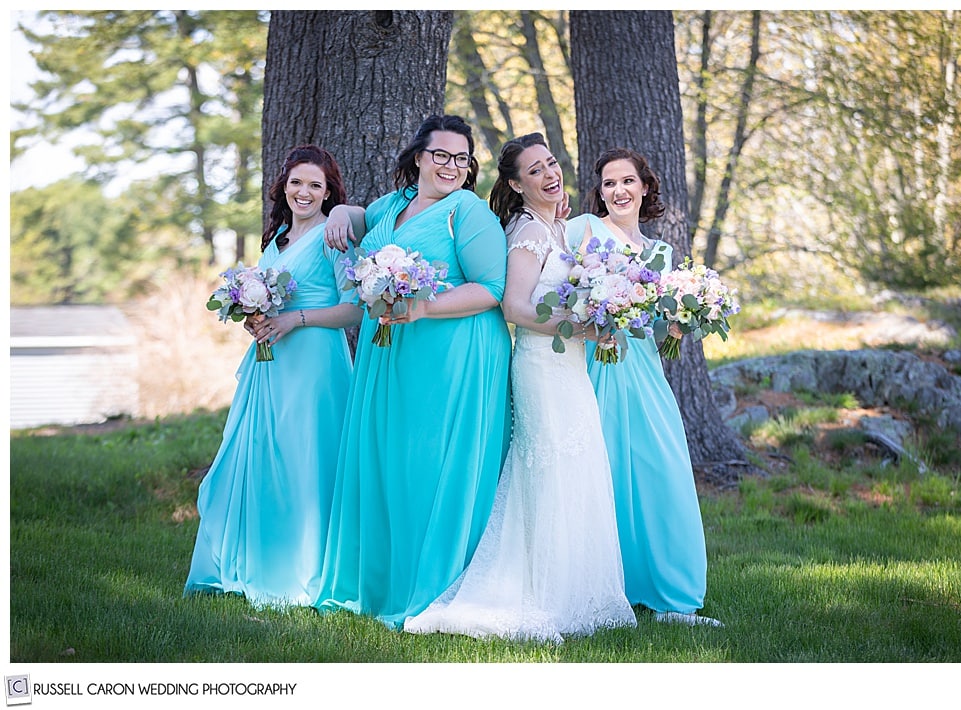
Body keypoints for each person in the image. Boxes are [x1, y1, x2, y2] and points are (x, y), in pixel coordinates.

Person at [403, 133, 637, 644]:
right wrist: (578, 327)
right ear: (515, 183)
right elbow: (513, 308)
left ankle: (578, 592)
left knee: (577, 467)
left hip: (571, 367)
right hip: (540, 366)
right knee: (548, 469)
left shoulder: (556, 227)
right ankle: (540, 593)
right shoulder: (527, 231)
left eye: (551, 163)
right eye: (535, 171)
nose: (549, 174)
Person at [313, 115, 513, 628]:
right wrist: (340, 209)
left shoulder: (467, 211)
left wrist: (424, 307)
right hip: (391, 351)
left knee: (430, 463)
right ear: (419, 157)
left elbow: (491, 288)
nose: (452, 165)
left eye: (462, 158)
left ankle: (434, 585)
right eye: (441, 155)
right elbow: (360, 222)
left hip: (451, 353)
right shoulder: (395, 204)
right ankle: (383, 582)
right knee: (391, 462)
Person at [185, 144, 362, 607]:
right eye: (297, 182)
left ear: (329, 193)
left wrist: (294, 321)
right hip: (271, 361)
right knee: (261, 454)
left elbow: (353, 309)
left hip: (314, 365)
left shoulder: (333, 237)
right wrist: (255, 317)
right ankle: (252, 560)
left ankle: (302, 570)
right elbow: (268, 296)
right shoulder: (276, 237)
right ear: (284, 185)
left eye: (315, 185)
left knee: (304, 459)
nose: (304, 192)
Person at [567, 147, 720, 626]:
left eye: (627, 181)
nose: (619, 191)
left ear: (645, 187)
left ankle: (669, 595)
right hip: (592, 366)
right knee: (601, 472)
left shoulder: (661, 253)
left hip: (644, 372)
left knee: (659, 471)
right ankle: (600, 588)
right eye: (609, 183)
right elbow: (562, 295)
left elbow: (652, 327)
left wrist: (679, 323)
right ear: (600, 192)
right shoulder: (581, 231)